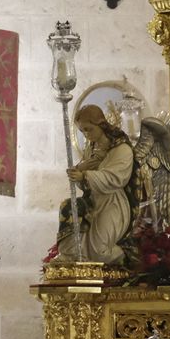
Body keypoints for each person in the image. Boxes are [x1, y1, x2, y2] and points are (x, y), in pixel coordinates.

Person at [56, 104, 135, 265]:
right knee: (68, 207)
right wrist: (77, 175)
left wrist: (84, 176)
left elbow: (115, 178)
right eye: (82, 131)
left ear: (101, 124)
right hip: (94, 201)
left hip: (113, 203)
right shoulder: (92, 150)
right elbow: (87, 178)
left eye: (88, 129)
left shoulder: (122, 149)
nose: (86, 135)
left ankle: (128, 261)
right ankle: (72, 255)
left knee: (100, 251)